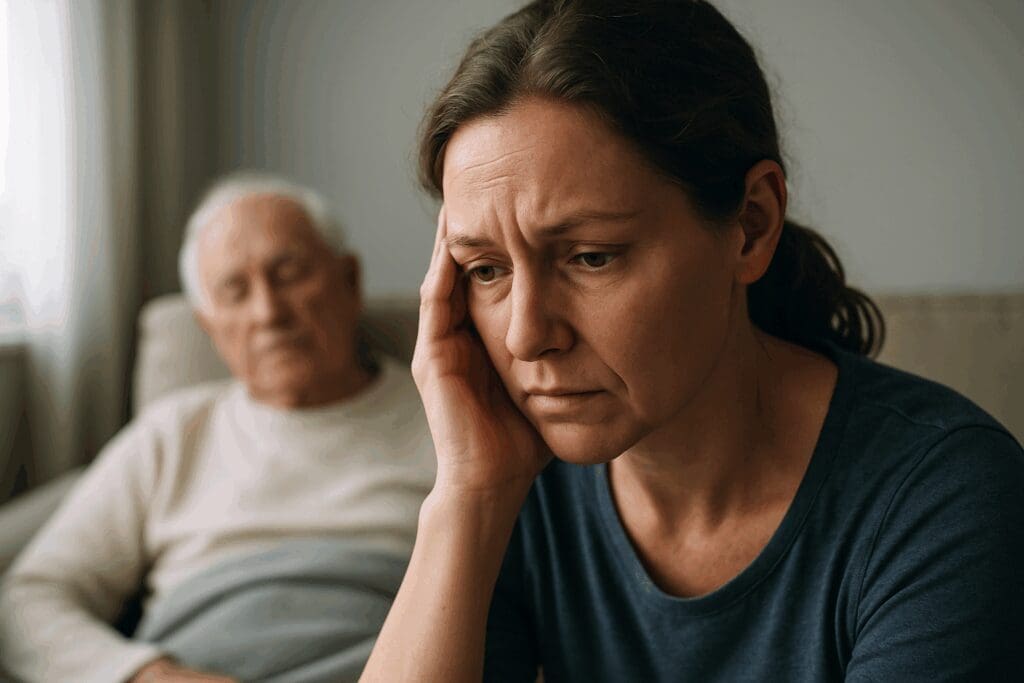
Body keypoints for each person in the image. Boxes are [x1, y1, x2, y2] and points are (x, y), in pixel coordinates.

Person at [361, 1, 1024, 681]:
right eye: (486, 269)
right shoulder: (514, 486)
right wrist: (468, 496)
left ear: (751, 226)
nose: (527, 336)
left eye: (591, 256)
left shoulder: (944, 500)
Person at [0, 174, 436, 683]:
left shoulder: (447, 421)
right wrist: (150, 676)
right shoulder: (170, 435)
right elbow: (28, 600)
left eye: (290, 273)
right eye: (235, 290)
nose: (268, 312)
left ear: (349, 280)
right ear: (208, 327)